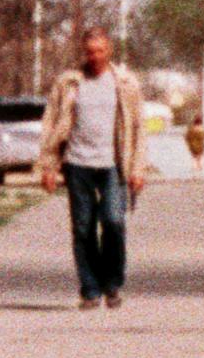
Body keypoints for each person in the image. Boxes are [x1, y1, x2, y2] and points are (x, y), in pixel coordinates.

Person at [39, 23, 149, 309]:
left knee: (113, 221)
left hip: (113, 164)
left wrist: (138, 168)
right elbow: (51, 123)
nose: (95, 56)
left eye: (100, 51)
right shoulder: (69, 83)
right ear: (84, 53)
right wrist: (48, 166)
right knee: (83, 227)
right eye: (90, 52)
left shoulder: (125, 83)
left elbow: (138, 129)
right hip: (77, 164)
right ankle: (90, 289)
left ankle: (112, 283)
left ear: (109, 51)